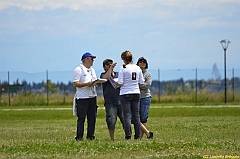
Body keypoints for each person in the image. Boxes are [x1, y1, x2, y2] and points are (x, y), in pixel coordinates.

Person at [116, 50, 144, 140]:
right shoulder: (137, 68)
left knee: (127, 115)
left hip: (125, 93)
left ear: (123, 59)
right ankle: (137, 136)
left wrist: (116, 83)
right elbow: (141, 82)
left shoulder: (123, 68)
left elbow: (120, 82)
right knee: (136, 115)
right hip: (136, 92)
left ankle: (128, 135)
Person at [72, 52, 100, 141]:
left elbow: (94, 81)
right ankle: (79, 136)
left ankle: (90, 135)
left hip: (92, 96)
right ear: (86, 59)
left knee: (92, 117)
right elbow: (75, 83)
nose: (93, 61)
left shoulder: (92, 70)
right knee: (81, 118)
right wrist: (86, 84)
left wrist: (97, 84)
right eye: (91, 59)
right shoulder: (78, 70)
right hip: (82, 97)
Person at [100, 59, 125, 141]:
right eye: (107, 64)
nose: (110, 65)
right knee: (111, 120)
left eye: (111, 64)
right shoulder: (103, 74)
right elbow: (105, 79)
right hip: (110, 101)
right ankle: (112, 138)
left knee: (125, 119)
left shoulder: (118, 74)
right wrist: (110, 69)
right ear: (104, 67)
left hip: (121, 100)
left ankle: (127, 135)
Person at [137, 57, 153, 139]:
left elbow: (148, 85)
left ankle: (140, 137)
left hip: (145, 97)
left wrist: (140, 84)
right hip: (136, 97)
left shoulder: (148, 74)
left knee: (143, 118)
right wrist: (142, 83)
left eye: (144, 62)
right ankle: (147, 133)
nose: (142, 63)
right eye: (140, 62)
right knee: (135, 117)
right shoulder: (135, 73)